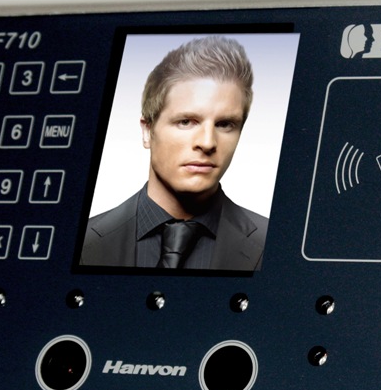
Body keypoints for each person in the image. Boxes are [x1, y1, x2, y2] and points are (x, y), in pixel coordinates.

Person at [81, 35, 268, 271]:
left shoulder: (273, 243)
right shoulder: (82, 242)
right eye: (186, 122)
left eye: (224, 124)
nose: (207, 142)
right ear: (147, 131)